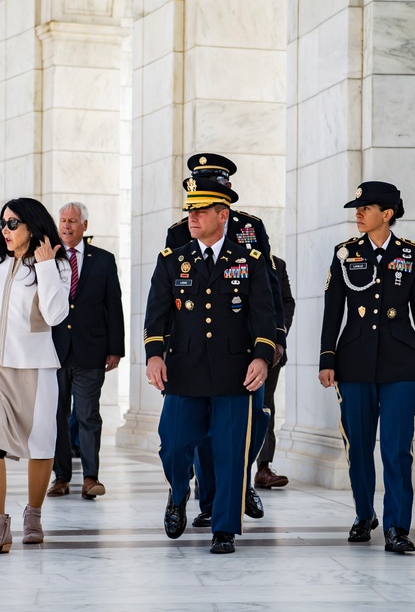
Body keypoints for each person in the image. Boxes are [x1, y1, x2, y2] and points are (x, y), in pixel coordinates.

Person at [145, 176, 277, 554]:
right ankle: (177, 495)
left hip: (236, 372)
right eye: (190, 210)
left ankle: (224, 528)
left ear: (223, 215)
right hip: (184, 371)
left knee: (231, 450)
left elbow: (263, 317)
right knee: (172, 445)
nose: (192, 216)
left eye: (201, 210)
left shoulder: (247, 260)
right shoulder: (173, 260)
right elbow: (156, 316)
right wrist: (155, 355)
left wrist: (262, 357)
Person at [317, 181, 415, 553]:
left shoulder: (411, 255)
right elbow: (333, 309)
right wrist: (327, 357)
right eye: (357, 208)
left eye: (365, 208)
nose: (358, 213)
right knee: (358, 447)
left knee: (397, 449)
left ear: (387, 214)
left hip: (402, 362)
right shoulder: (344, 254)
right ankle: (363, 514)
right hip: (353, 361)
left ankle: (397, 527)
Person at [0, 198, 71, 553]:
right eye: (2, 223)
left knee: (41, 443)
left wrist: (48, 268)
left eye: (12, 224)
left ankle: (33, 515)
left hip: (35, 366)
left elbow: (55, 316)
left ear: (32, 226)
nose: (4, 230)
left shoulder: (58, 266)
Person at [47, 203, 125, 500]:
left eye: (72, 221)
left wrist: (115, 348)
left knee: (88, 415)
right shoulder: (48, 258)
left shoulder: (103, 260)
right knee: (56, 415)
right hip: (53, 351)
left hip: (91, 351)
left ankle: (91, 477)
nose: (66, 226)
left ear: (85, 225)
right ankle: (61, 477)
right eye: (63, 221)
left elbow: (113, 306)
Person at [253, 254, 296, 489]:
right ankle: (207, 473)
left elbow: (286, 302)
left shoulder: (276, 264)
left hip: (270, 351)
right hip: (229, 350)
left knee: (265, 407)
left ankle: (263, 467)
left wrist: (279, 337)